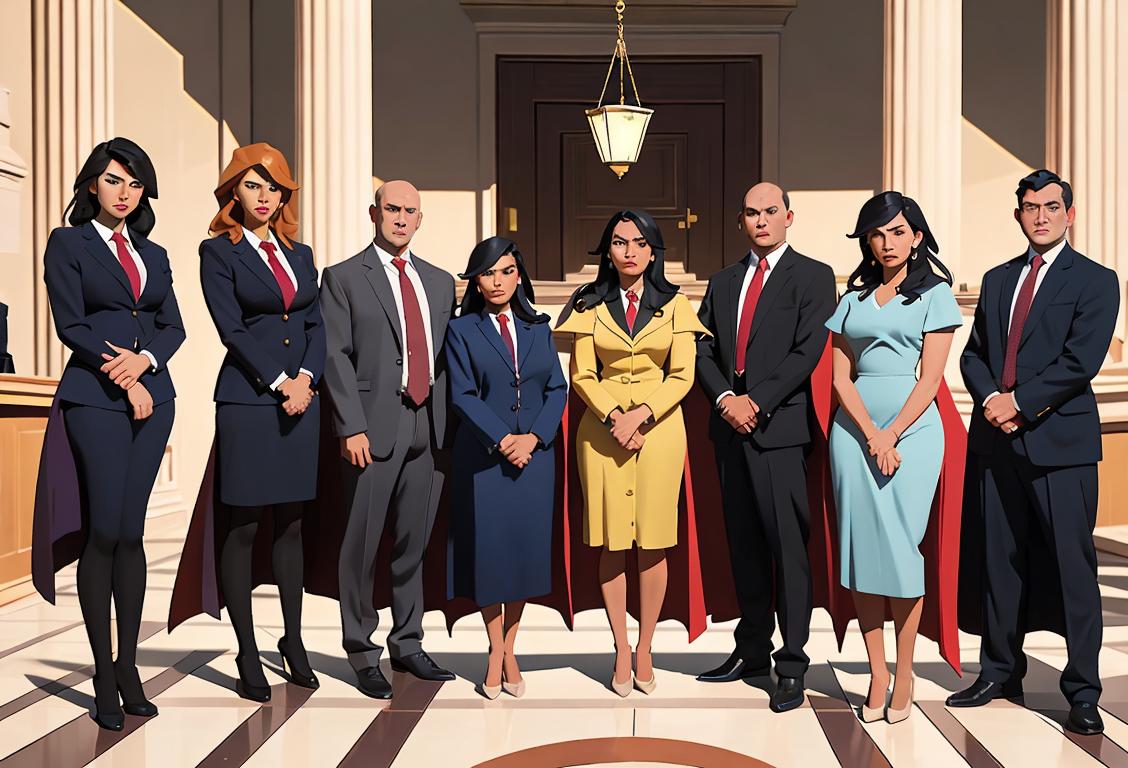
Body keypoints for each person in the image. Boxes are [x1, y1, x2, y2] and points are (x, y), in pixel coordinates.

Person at [948, 170, 1120, 736]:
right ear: (1017, 215)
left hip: (1060, 446)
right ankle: (999, 670)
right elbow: (974, 355)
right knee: (1000, 561)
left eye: (1051, 206)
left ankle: (1083, 692)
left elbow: (1081, 361)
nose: (1040, 215)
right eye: (1029, 207)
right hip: (997, 444)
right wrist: (991, 399)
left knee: (1074, 569)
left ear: (1070, 214)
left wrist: (1019, 403)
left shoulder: (1097, 280)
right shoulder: (998, 281)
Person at [33, 138, 185, 730]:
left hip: (155, 401)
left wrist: (145, 363)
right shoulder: (67, 243)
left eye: (135, 183)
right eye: (114, 180)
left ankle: (128, 667)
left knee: (132, 532)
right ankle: (102, 672)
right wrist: (122, 373)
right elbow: (70, 322)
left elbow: (173, 326)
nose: (125, 192)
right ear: (92, 184)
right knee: (105, 530)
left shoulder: (156, 252)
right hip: (94, 399)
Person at [694, 182, 836, 713]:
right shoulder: (724, 280)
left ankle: (793, 663)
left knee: (787, 549)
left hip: (778, 431)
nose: (760, 221)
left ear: (788, 217)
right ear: (741, 220)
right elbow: (702, 347)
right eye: (751, 213)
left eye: (770, 212)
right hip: (730, 429)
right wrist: (728, 398)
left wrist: (757, 401)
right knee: (745, 544)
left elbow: (808, 352)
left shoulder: (815, 276)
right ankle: (750, 649)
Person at [556, 208, 709, 697]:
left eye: (640, 243)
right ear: (607, 249)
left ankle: (646, 647)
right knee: (612, 541)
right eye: (620, 242)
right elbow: (581, 375)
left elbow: (682, 376)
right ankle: (620, 647)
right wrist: (613, 418)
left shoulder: (676, 306)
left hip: (659, 431)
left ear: (654, 250)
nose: (629, 251)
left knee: (654, 538)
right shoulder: (586, 304)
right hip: (601, 435)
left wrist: (639, 415)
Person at [193, 143, 324, 701]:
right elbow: (232, 329)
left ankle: (292, 642)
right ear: (232, 192)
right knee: (243, 524)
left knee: (292, 524)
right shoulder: (217, 252)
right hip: (249, 401)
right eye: (252, 185)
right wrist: (280, 381)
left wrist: (307, 382)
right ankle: (248, 649)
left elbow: (317, 325)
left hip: (302, 401)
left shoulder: (302, 253)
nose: (264, 196)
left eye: (273, 187)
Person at [826, 191, 962, 723]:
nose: (887, 242)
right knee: (863, 554)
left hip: (914, 433)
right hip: (852, 434)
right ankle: (877, 671)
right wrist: (868, 434)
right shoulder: (852, 298)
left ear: (918, 237)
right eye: (878, 233)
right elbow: (840, 376)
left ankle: (905, 671)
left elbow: (931, 379)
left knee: (903, 552)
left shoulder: (937, 296)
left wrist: (890, 435)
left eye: (899, 231)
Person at [319, 180, 456, 698]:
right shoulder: (344, 278)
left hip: (429, 424)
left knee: (413, 540)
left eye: (410, 211)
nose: (400, 218)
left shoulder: (441, 283)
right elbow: (335, 355)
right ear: (373, 213)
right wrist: (349, 425)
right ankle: (361, 649)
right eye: (392, 209)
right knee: (361, 541)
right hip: (373, 425)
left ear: (420, 219)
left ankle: (408, 642)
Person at [445, 236, 567, 698]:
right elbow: (463, 395)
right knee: (489, 555)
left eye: (507, 271)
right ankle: (495, 648)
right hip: (483, 458)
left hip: (535, 458)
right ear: (476, 279)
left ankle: (508, 647)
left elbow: (556, 388)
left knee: (522, 556)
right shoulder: (461, 330)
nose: (498, 282)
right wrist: (503, 440)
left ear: (520, 276)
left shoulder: (539, 326)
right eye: (489, 273)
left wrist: (534, 437)